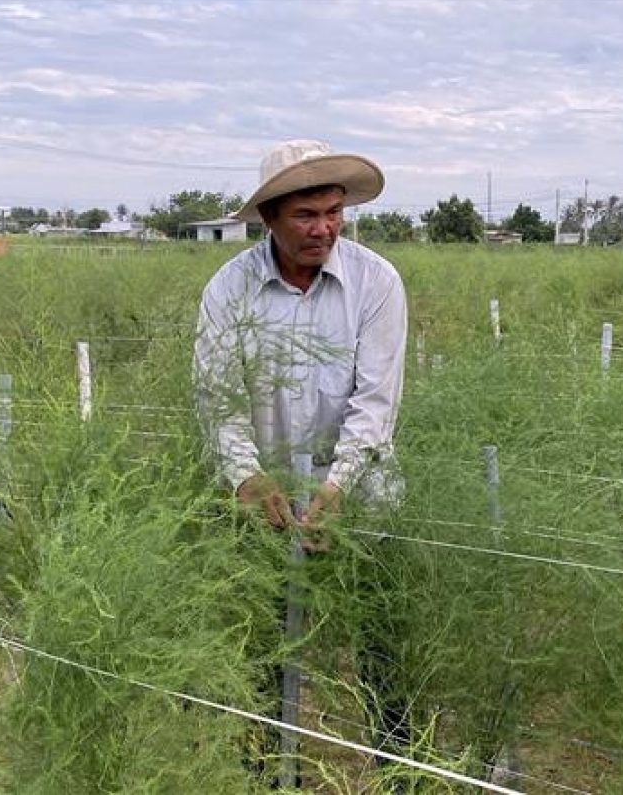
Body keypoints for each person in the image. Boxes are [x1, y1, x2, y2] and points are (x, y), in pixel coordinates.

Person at [192, 139, 410, 779]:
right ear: (269, 218)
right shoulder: (229, 290)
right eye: (306, 216)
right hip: (263, 506)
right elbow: (217, 400)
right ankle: (264, 773)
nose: (324, 229)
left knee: (380, 645)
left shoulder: (376, 282)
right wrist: (249, 479)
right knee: (261, 649)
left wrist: (337, 491)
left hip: (360, 501)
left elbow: (375, 405)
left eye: (334, 213)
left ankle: (397, 771)